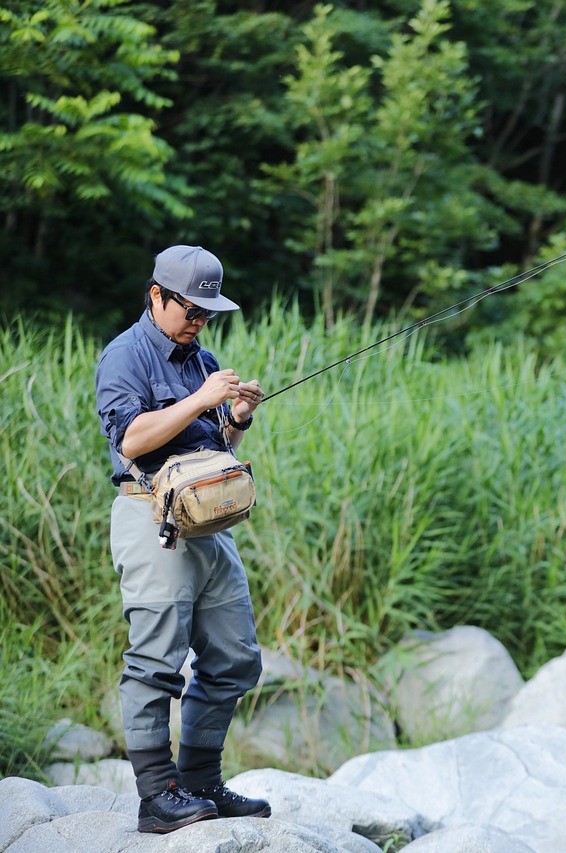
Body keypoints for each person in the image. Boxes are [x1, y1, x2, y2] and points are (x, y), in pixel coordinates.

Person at [95, 245, 271, 833]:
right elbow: (131, 441)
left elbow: (216, 448)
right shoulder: (124, 356)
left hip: (207, 525)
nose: (199, 321)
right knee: (154, 661)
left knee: (235, 657)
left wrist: (237, 418)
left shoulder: (203, 358)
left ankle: (200, 783)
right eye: (190, 308)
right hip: (151, 520)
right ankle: (155, 797)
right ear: (156, 296)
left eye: (207, 312)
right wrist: (201, 399)